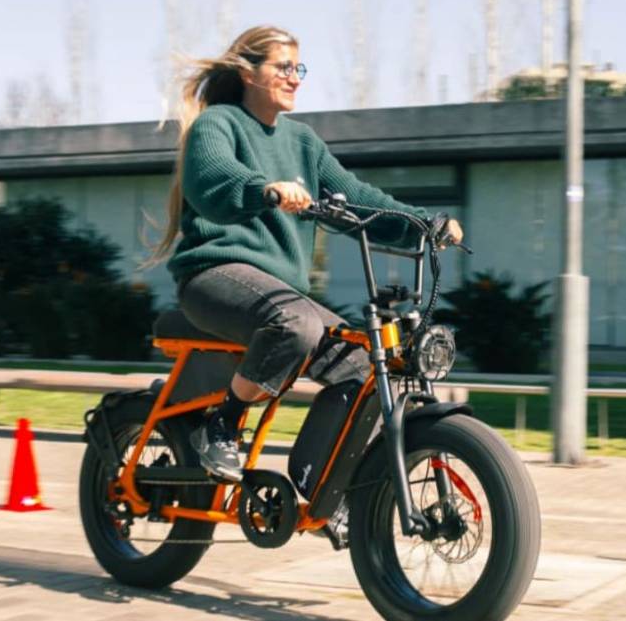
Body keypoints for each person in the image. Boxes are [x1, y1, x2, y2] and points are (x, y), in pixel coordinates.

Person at [151, 25, 463, 481]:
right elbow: (212, 178)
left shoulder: (303, 143)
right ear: (248, 72)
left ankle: (323, 486)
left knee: (362, 368)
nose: (295, 77)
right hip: (214, 277)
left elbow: (356, 198)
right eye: (283, 67)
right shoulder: (218, 124)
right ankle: (223, 425)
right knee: (295, 323)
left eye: (299, 68)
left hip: (277, 291)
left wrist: (422, 224)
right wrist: (265, 190)